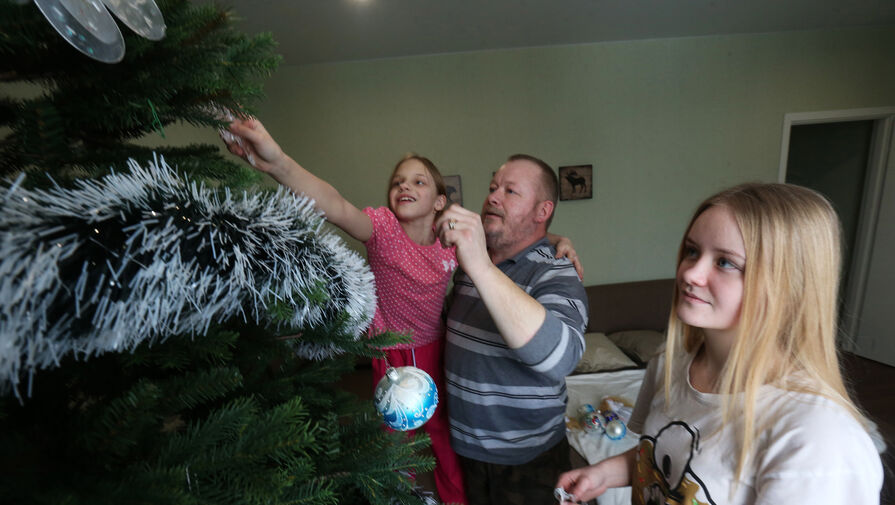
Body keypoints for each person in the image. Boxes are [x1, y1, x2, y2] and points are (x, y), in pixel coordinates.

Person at [221, 119, 581, 505]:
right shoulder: (384, 229)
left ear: (441, 202)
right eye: (398, 182)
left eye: (419, 182)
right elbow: (335, 205)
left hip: (442, 359)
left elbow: (513, 258)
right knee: (394, 444)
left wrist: (554, 239)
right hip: (393, 353)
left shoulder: (456, 246)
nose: (404, 186)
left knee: (442, 443)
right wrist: (278, 162)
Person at [556, 183, 883, 504]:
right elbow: (659, 458)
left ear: (786, 285)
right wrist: (604, 474)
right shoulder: (670, 362)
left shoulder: (818, 438)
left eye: (725, 262)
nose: (690, 274)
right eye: (692, 251)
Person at [434, 154, 588, 505]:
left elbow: (560, 358)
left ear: (542, 211)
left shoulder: (556, 273)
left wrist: (481, 266)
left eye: (511, 191)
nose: (492, 197)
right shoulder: (467, 267)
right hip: (463, 452)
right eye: (492, 188)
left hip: (528, 461)